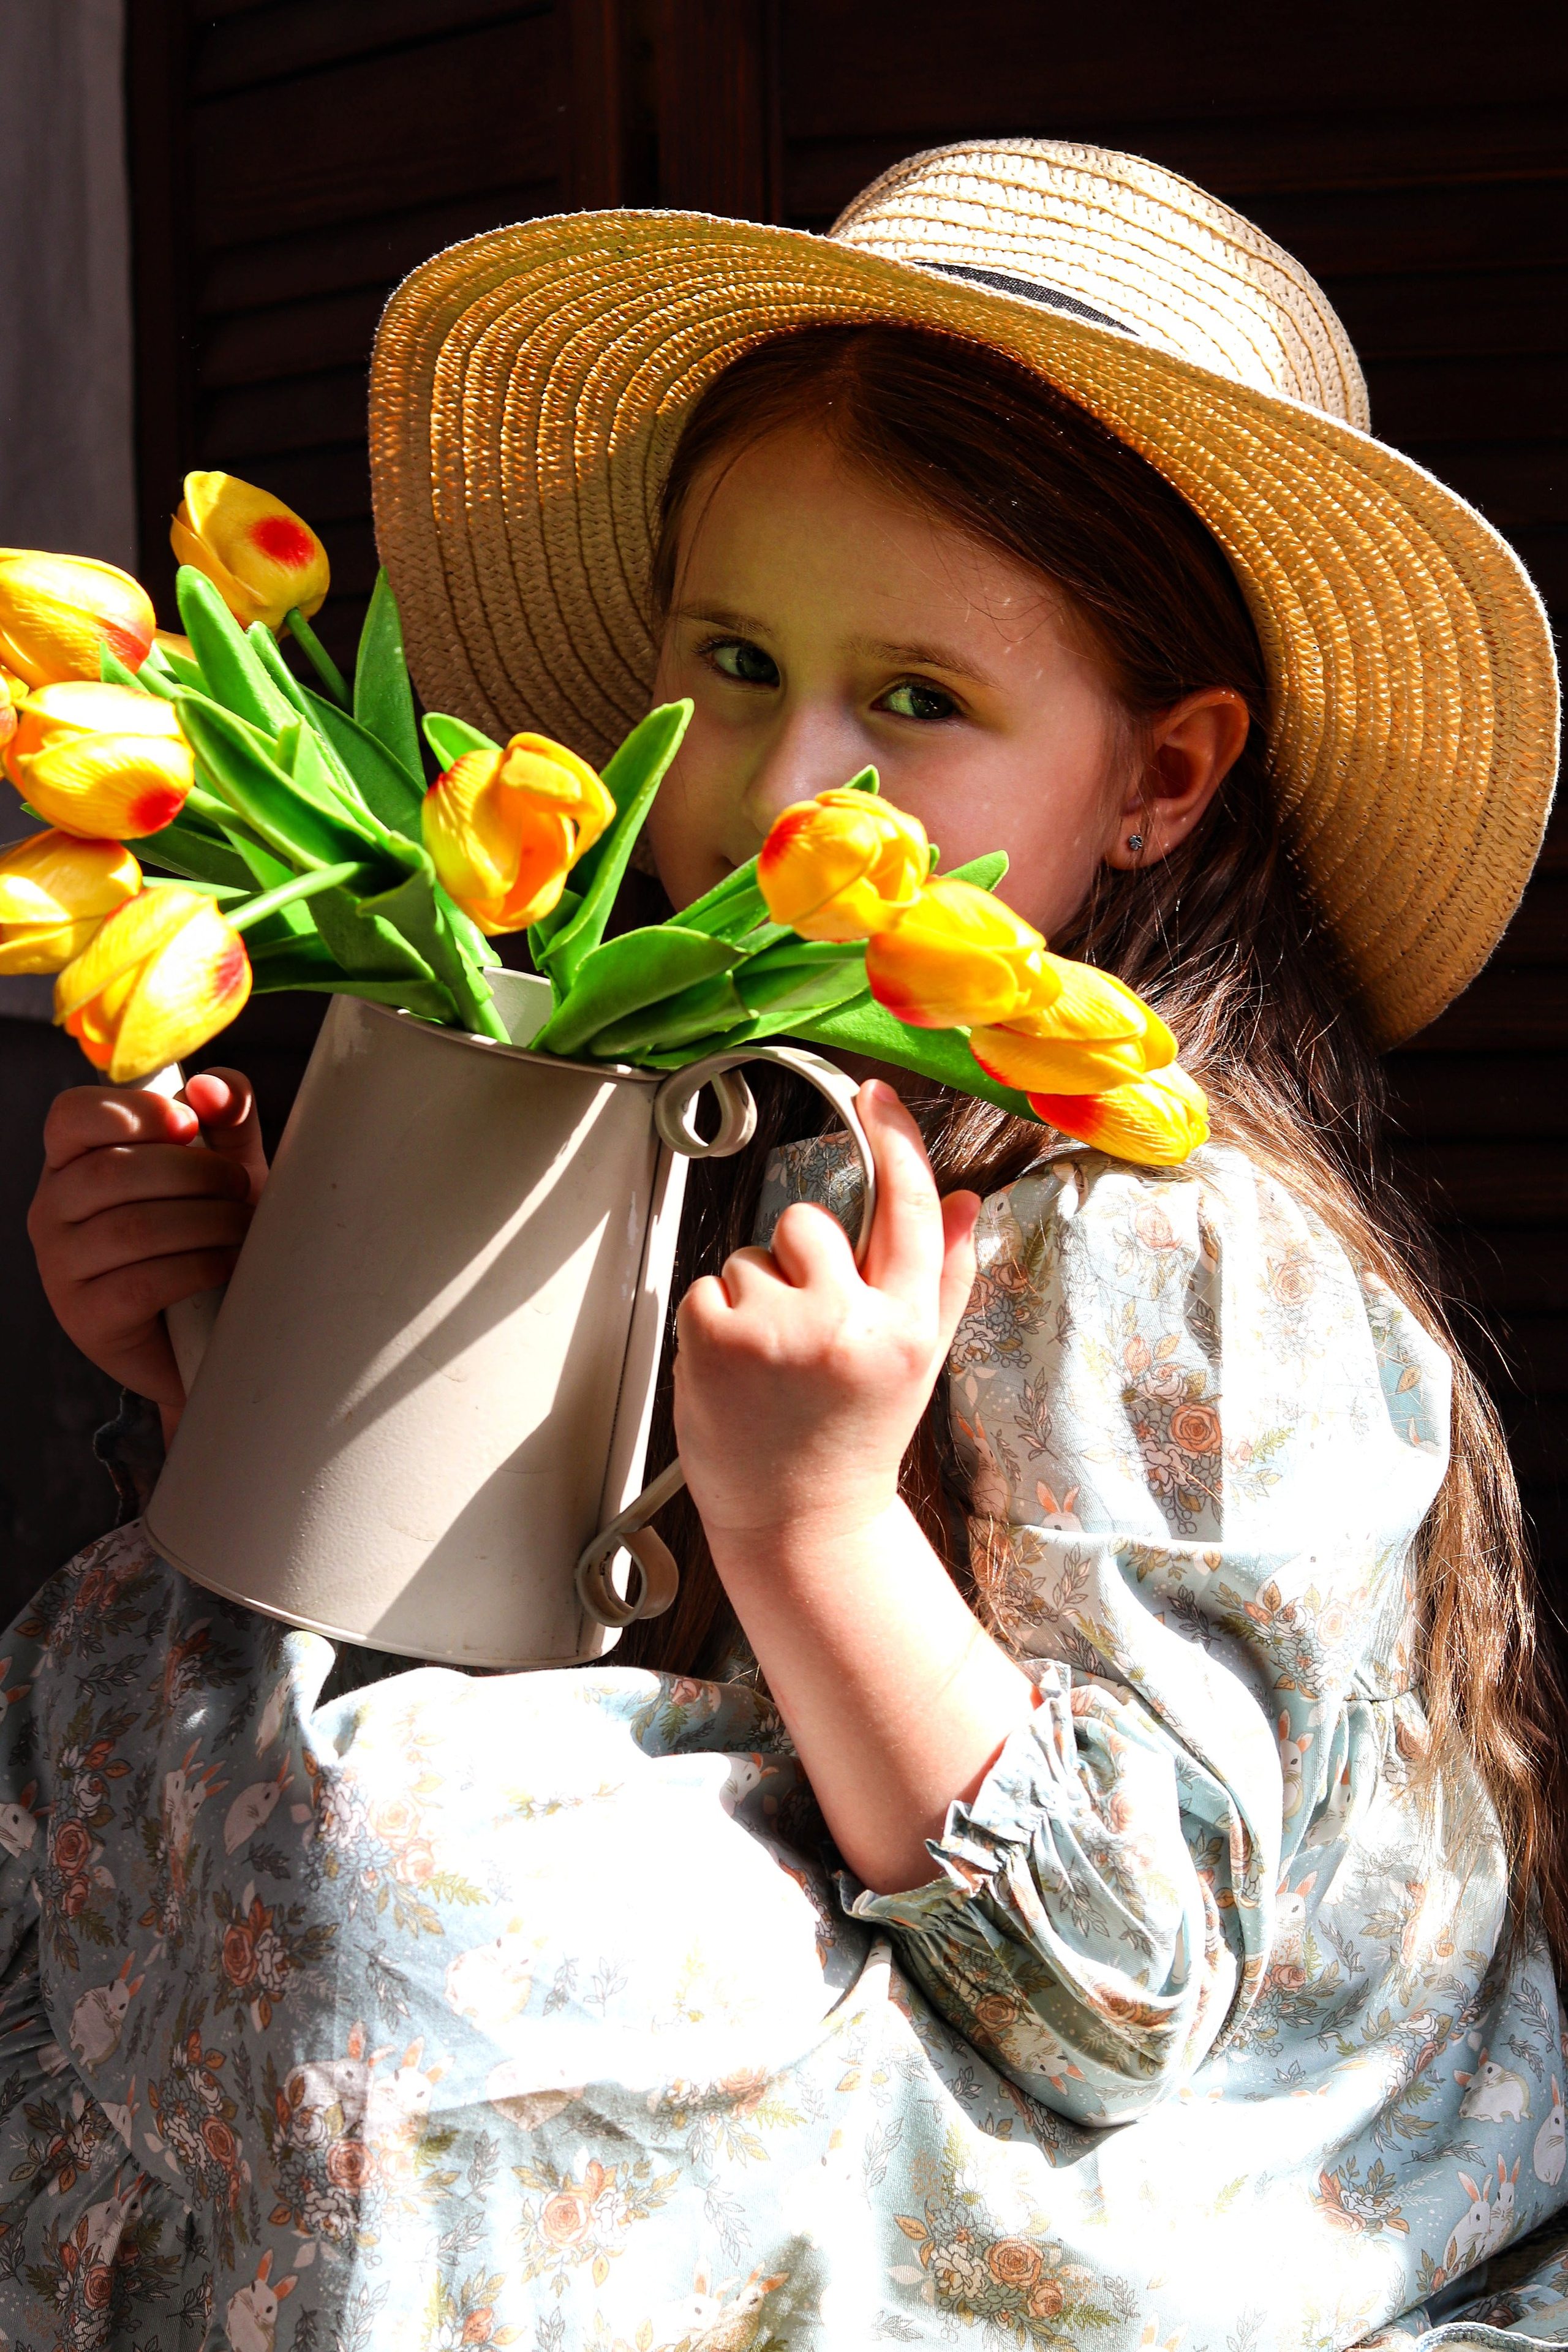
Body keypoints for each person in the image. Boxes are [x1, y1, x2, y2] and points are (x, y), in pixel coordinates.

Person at [10, 141, 1567, 2349]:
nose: (781, 783)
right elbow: (527, 1623)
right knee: (152, 1681)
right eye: (734, 660)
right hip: (846, 1996)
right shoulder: (675, 1101)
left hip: (1159, 2163)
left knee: (433, 1881)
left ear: (1166, 776)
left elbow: (1127, 1992)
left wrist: (823, 1521)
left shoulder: (1169, 1235)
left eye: (917, 702)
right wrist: (228, 1357)